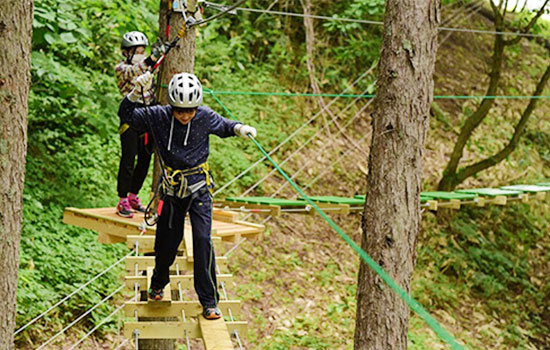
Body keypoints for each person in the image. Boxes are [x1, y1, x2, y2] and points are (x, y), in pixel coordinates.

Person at [118, 71, 257, 320]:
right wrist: (133, 94)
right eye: (180, 110)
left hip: (199, 188)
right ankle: (159, 281)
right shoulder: (159, 116)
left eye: (190, 110)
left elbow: (225, 126)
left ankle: (209, 301)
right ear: (172, 106)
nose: (185, 115)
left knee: (203, 240)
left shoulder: (203, 117)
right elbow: (126, 116)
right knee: (166, 244)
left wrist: (240, 129)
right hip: (172, 189)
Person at [114, 31, 166, 218]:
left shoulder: (147, 68)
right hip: (130, 115)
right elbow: (134, 71)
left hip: (147, 115)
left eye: (143, 51)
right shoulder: (122, 68)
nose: (141, 54)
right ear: (127, 52)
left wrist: (161, 56)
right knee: (128, 160)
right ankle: (122, 200)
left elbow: (155, 68)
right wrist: (152, 58)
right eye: (137, 51)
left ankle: (133, 196)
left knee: (145, 159)